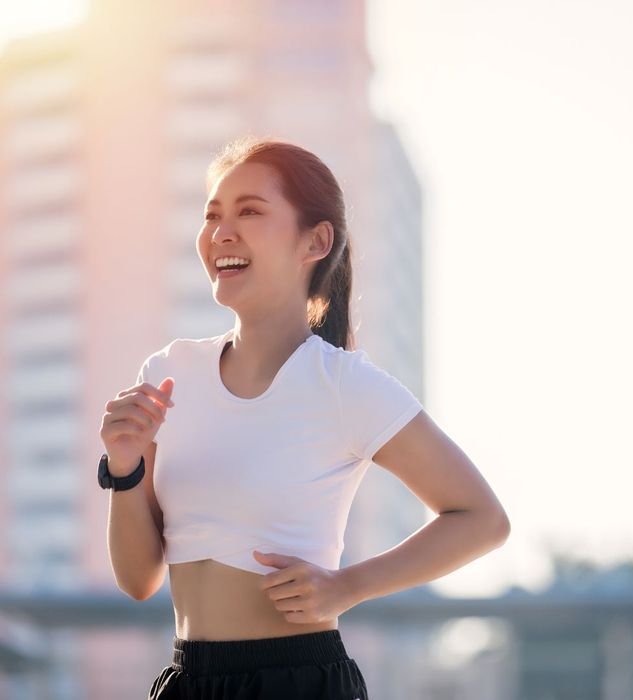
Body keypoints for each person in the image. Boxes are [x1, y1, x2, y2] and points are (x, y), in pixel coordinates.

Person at [98, 135, 511, 699]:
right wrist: (123, 469)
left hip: (300, 682)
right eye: (212, 214)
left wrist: (350, 586)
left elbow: (483, 519)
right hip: (188, 682)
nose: (221, 232)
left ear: (315, 241)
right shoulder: (170, 372)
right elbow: (139, 578)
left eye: (250, 211)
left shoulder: (344, 386)